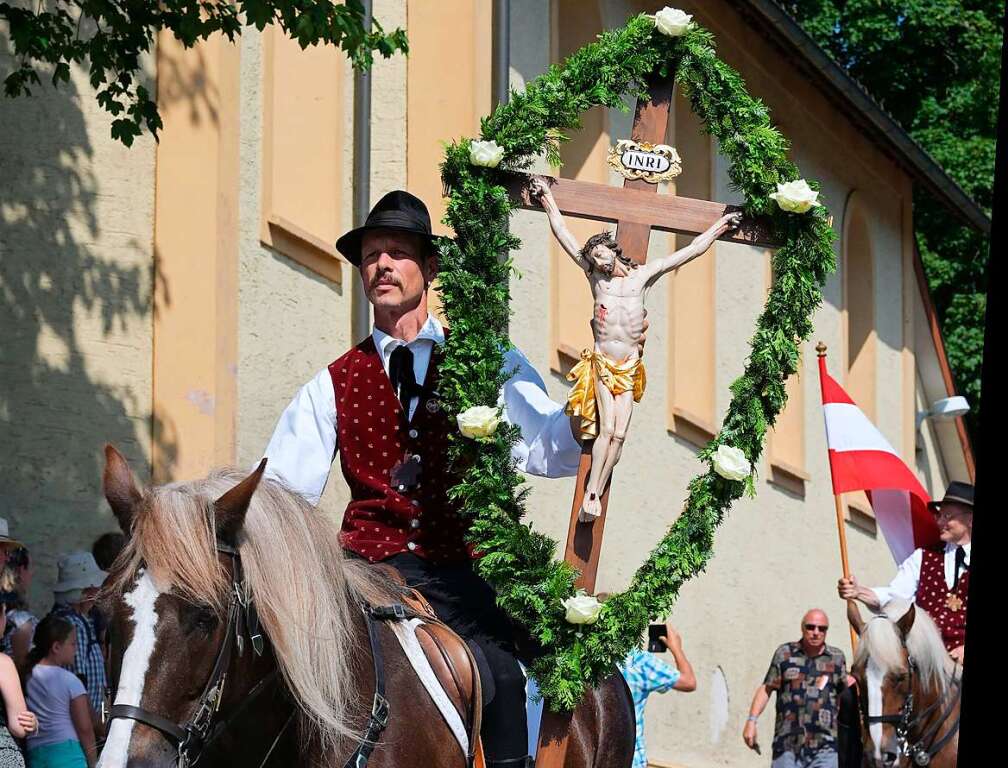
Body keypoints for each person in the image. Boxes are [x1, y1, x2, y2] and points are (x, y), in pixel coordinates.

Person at [262, 190, 585, 767]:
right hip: (369, 569)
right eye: (370, 256)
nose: (380, 265)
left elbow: (548, 450)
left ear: (429, 269)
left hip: (464, 564)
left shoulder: (487, 360)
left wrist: (592, 406)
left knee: (504, 677)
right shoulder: (332, 382)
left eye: (396, 253)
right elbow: (282, 495)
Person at [532, 176, 741, 520]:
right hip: (602, 363)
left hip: (627, 364)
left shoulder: (643, 276)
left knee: (621, 434)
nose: (599, 262)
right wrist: (547, 201)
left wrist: (718, 227)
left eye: (601, 254)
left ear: (612, 251)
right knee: (607, 429)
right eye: (594, 258)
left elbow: (688, 252)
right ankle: (592, 494)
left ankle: (597, 487)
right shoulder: (594, 279)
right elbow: (565, 236)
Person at [838, 481, 971, 663]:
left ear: (970, 519)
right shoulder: (923, 557)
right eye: (939, 515)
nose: (939, 521)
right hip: (924, 663)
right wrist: (858, 591)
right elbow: (895, 597)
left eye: (947, 516)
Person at [744, 609, 847, 768]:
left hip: (825, 746)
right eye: (810, 627)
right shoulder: (785, 653)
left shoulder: (837, 658)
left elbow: (840, 695)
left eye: (822, 628)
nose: (816, 632)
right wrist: (752, 721)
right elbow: (767, 688)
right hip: (787, 744)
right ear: (802, 628)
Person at [618, 622, 696, 768]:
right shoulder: (640, 662)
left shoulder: (582, 657)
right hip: (631, 758)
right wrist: (676, 648)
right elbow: (689, 681)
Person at [24, 615, 96, 768]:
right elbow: (85, 728)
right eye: (73, 644)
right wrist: (93, 762)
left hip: (35, 756)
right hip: (68, 756)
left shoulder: (25, 675)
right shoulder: (70, 680)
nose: (76, 650)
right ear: (56, 647)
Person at [48, 554, 106, 734]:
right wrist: (96, 725)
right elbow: (78, 685)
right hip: (81, 728)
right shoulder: (74, 626)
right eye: (94, 588)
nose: (98, 592)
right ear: (84, 592)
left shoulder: (81, 621)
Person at [1, 548, 38, 670]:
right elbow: (21, 665)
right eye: (30, 567)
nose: (33, 573)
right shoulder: (22, 622)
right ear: (21, 570)